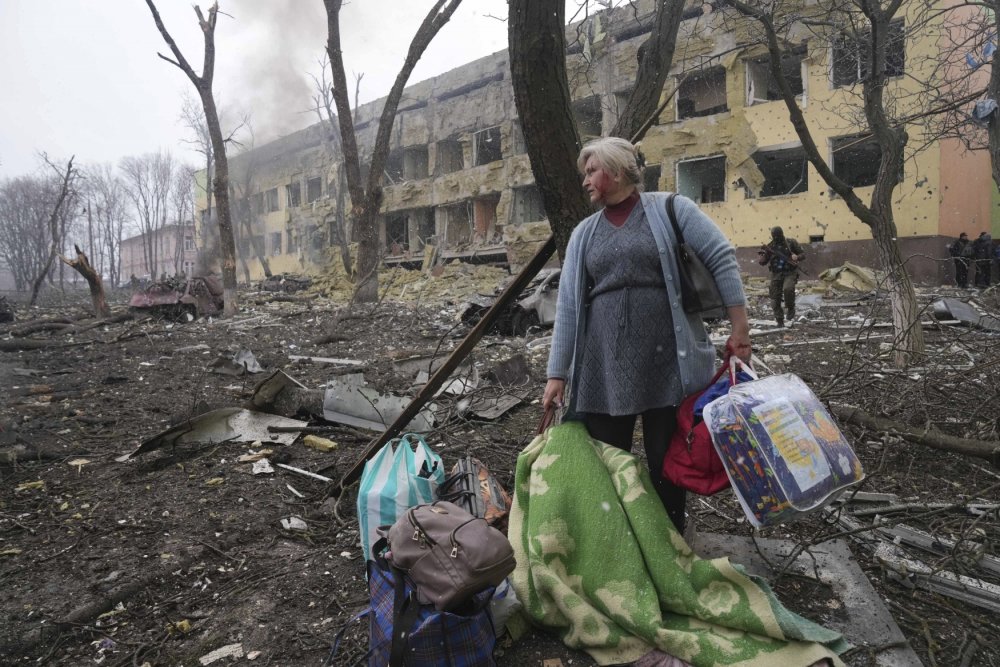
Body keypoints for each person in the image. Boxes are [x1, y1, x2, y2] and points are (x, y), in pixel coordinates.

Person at [541, 137, 751, 534]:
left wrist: (740, 328)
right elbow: (568, 305)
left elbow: (721, 256)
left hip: (667, 361)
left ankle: (669, 544)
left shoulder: (670, 208)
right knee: (607, 464)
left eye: (591, 171)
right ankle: (618, 546)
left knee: (665, 465)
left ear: (617, 171)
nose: (585, 181)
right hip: (604, 366)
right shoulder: (584, 233)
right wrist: (557, 374)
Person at [758, 226, 804, 327]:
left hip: (790, 272)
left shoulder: (791, 243)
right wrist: (763, 257)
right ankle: (779, 320)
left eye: (778, 235)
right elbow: (763, 262)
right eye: (775, 236)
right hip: (776, 274)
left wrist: (797, 257)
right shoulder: (771, 246)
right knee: (774, 299)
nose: (777, 237)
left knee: (788, 289)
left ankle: (790, 308)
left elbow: (802, 254)